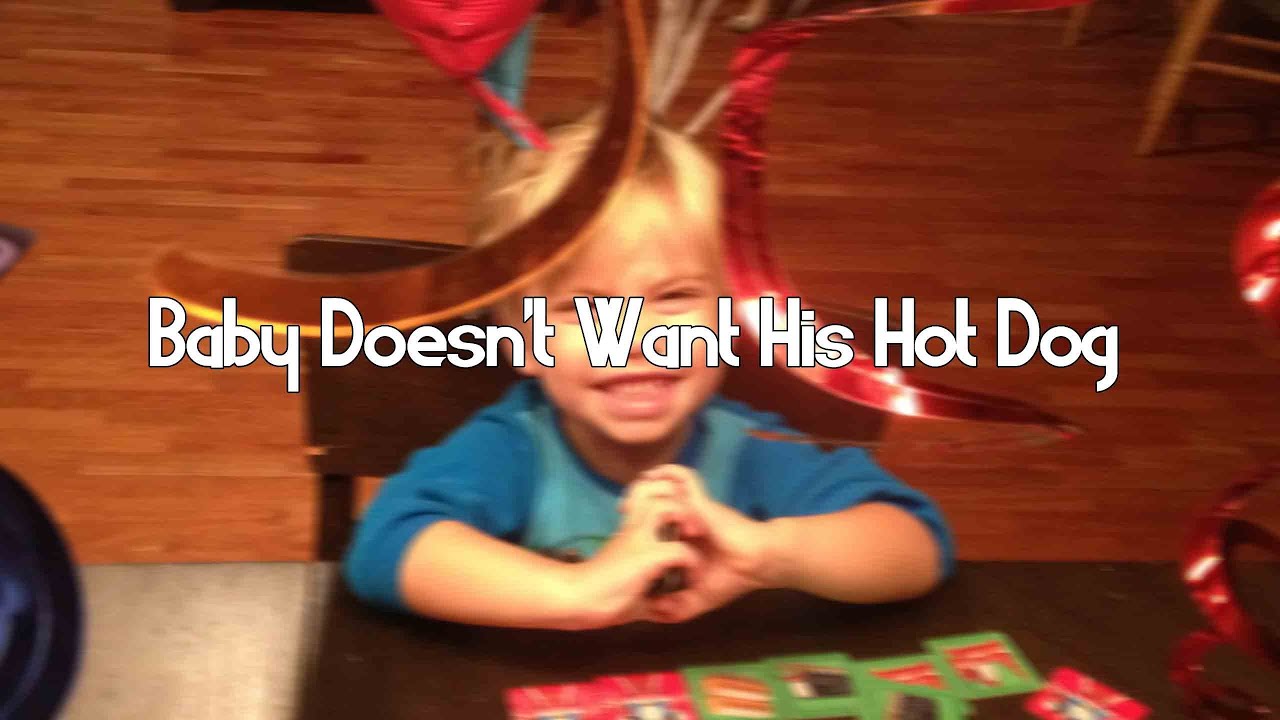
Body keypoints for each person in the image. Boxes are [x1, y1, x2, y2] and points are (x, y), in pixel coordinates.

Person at [342, 110, 954, 630]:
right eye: (584, 308)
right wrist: (577, 593)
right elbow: (384, 544)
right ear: (523, 341)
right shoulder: (514, 447)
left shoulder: (753, 450)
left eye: (674, 297)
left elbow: (917, 543)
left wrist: (772, 553)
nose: (636, 340)